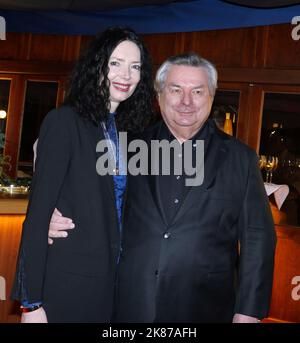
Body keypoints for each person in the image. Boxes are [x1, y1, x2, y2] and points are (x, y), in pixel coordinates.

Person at [49, 53, 276, 323]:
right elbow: (90, 197)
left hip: (206, 307)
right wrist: (53, 213)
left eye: (198, 91)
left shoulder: (240, 157)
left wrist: (249, 311)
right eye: (176, 90)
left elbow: (257, 237)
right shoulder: (127, 148)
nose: (186, 102)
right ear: (159, 96)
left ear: (212, 96)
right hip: (129, 303)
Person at [11, 26, 155, 323]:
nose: (126, 75)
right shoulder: (64, 121)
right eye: (115, 63)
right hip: (67, 283)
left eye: (135, 66)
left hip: (115, 287)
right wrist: (32, 303)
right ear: (97, 67)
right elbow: (38, 217)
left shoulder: (131, 132)